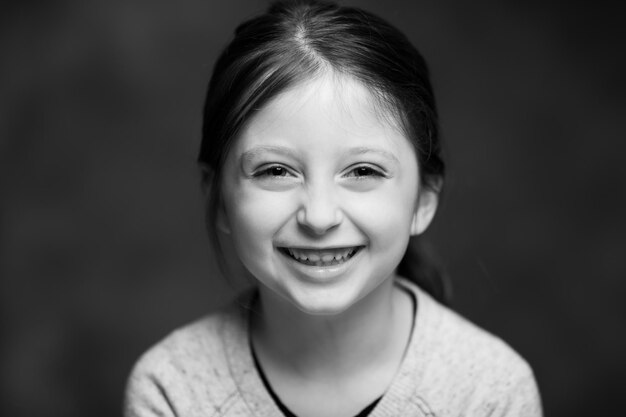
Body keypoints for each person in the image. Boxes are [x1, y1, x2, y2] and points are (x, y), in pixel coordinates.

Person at [123, 1, 543, 416]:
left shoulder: (490, 391)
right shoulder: (171, 390)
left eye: (362, 170)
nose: (319, 217)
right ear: (218, 199)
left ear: (424, 198)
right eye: (275, 170)